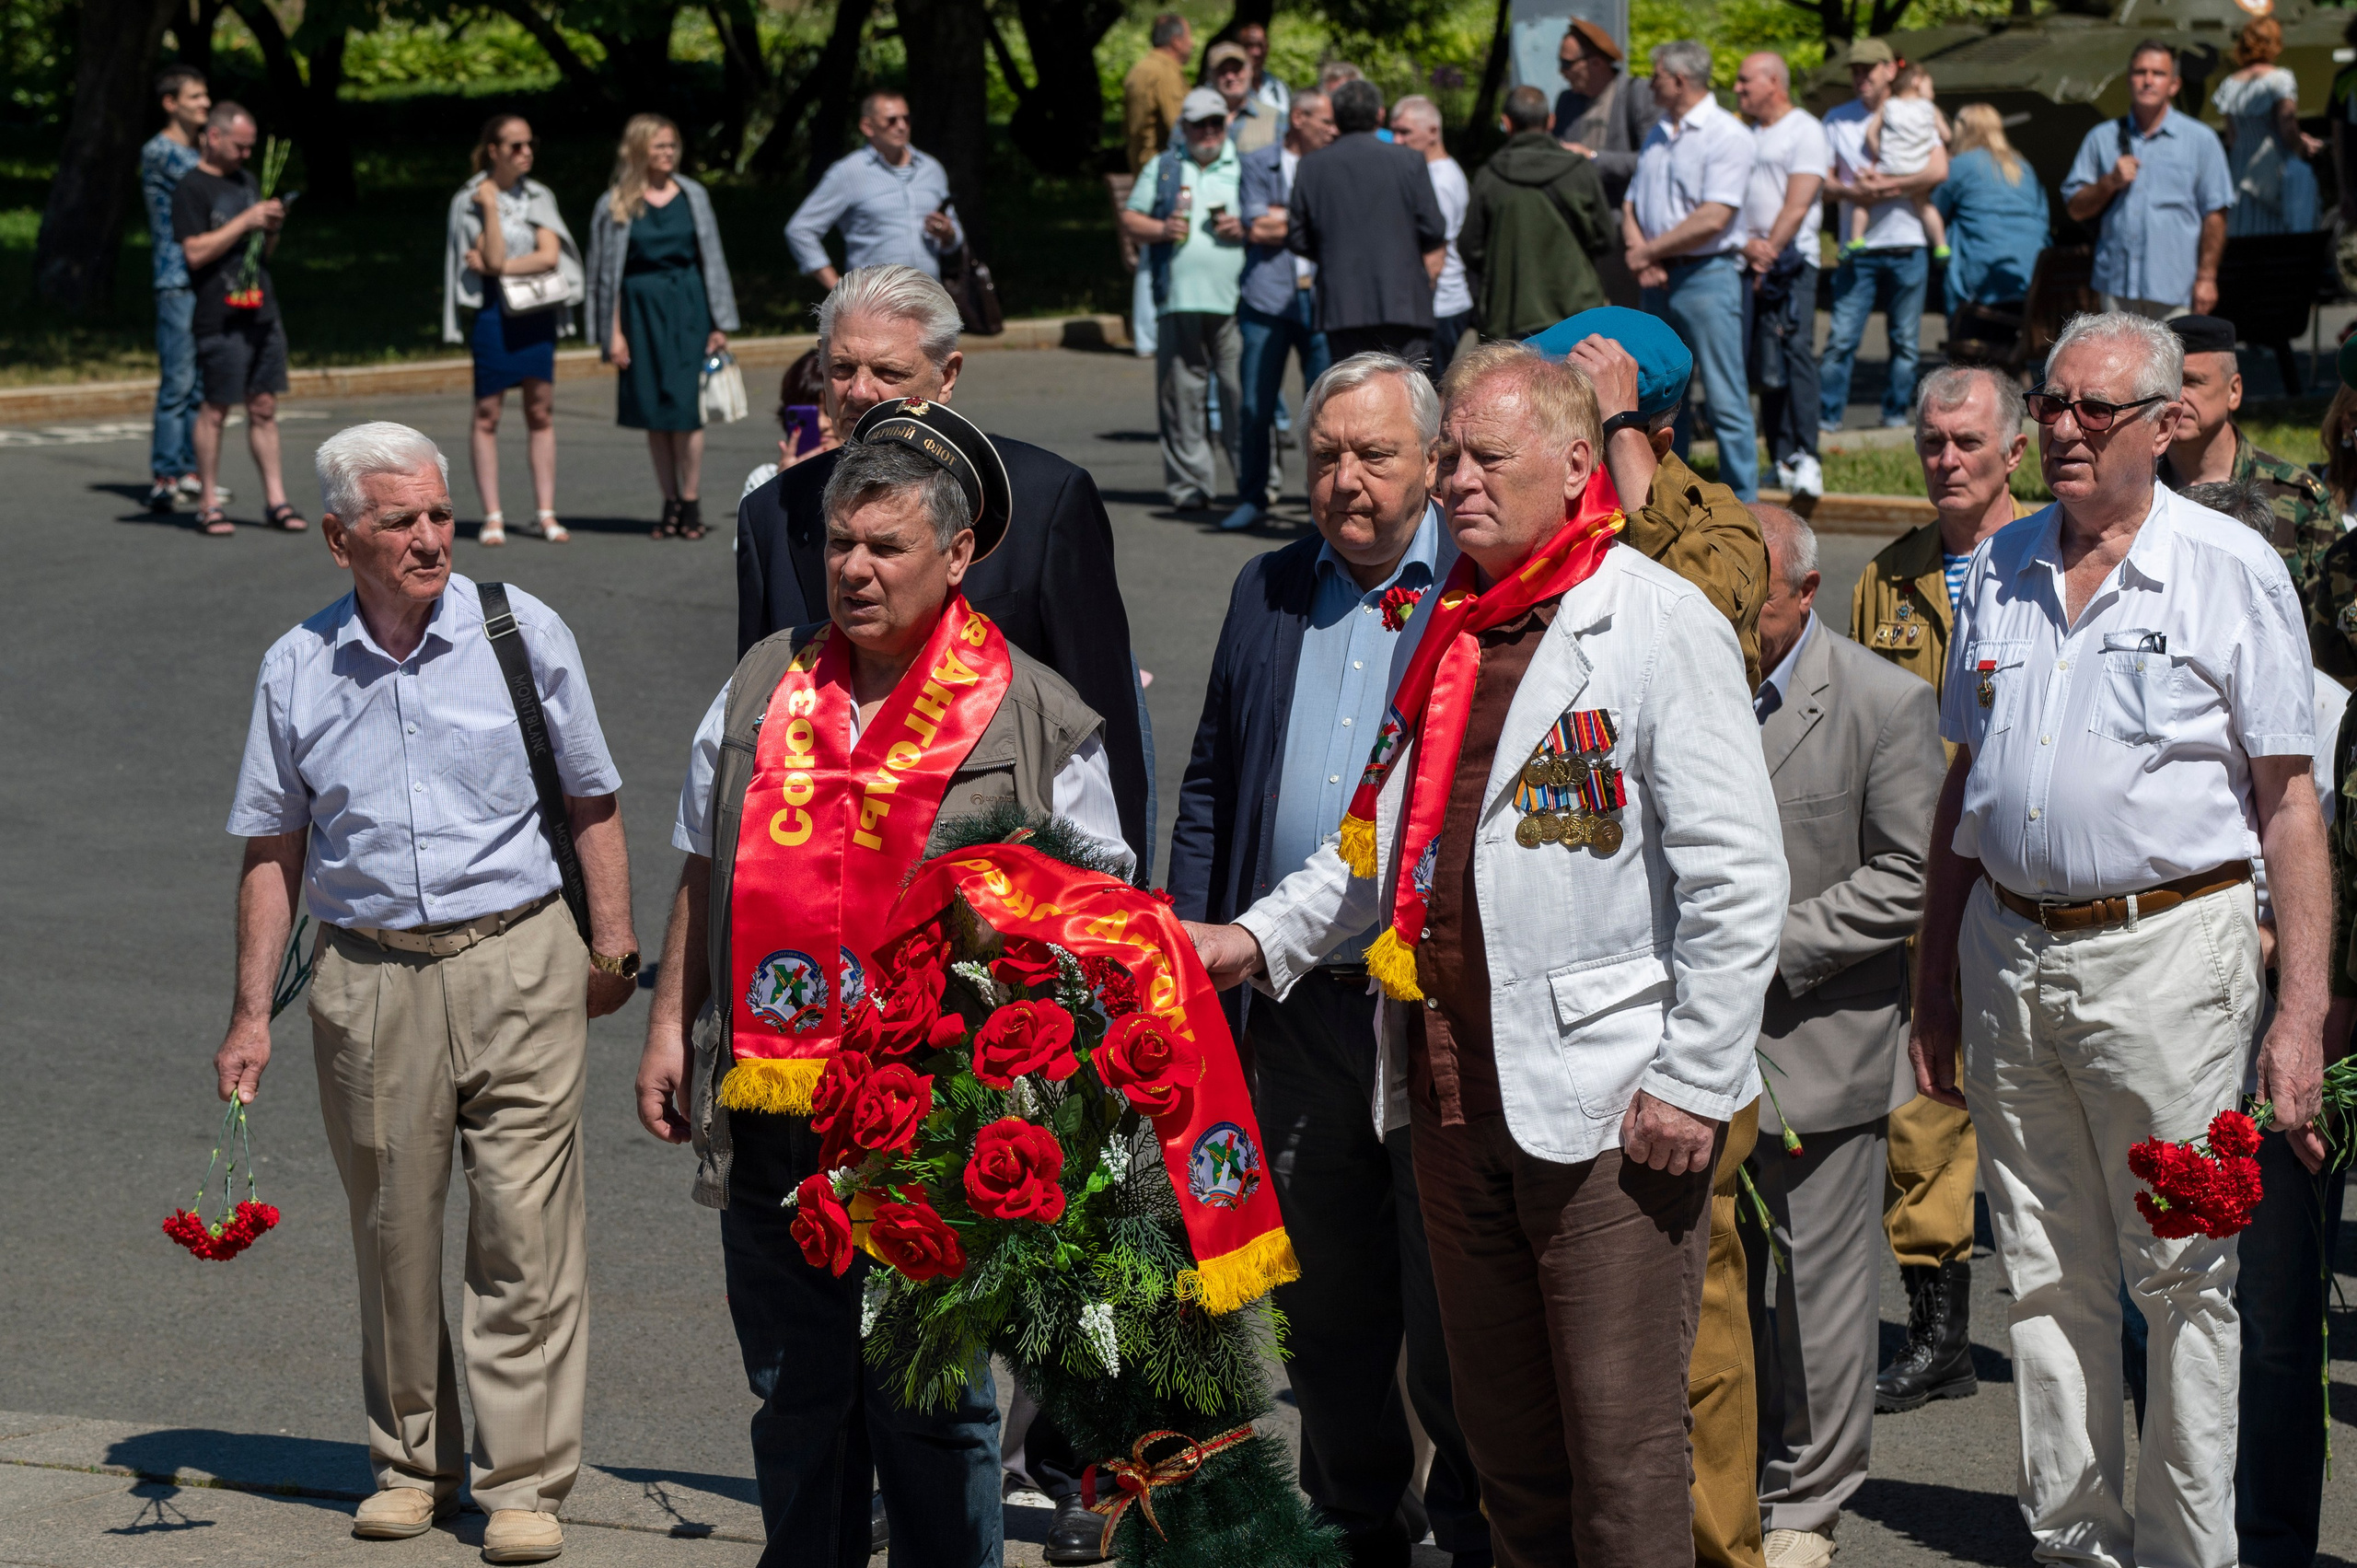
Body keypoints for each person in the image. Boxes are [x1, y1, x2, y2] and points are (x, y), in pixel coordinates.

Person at [1185, 340, 1787, 1565]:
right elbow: (1374, 849)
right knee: (1509, 1456)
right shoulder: (1453, 628)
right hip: (1454, 1104)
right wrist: (1249, 938)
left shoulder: (1654, 620)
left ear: (1573, 467)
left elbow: (1737, 879)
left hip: (1609, 1116)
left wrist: (1691, 1077)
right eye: (1449, 455)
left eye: (1483, 457)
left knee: (1618, 1456)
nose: (1454, 479)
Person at [637, 401, 1127, 1568]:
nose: (854, 569)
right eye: (839, 544)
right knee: (795, 1390)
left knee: (932, 1403)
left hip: (940, 1122)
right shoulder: (764, 683)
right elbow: (705, 861)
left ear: (957, 555)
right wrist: (668, 1024)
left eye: (886, 546)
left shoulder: (1033, 712)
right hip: (777, 1103)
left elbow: (1100, 925)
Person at [1910, 311, 2331, 1568]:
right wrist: (1933, 978)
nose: (2065, 428)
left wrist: (2300, 1014)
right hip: (2009, 955)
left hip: (2173, 966)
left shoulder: (2229, 566)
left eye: (2096, 409)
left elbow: (2290, 803)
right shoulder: (1998, 565)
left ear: (2164, 423)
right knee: (2042, 1270)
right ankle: (2074, 1542)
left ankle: (2186, 1553)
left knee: (2187, 1275)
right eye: (2052, 403)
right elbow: (1967, 782)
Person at [217, 421, 637, 1568]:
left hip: (519, 954)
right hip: (367, 975)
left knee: (523, 1232)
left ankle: (521, 1480)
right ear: (338, 538)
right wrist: (250, 1014)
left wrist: (612, 946)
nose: (429, 538)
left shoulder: (520, 630)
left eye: (441, 514)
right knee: (394, 1232)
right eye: (399, 520)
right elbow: (272, 848)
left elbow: (592, 796)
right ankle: (411, 1466)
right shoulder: (298, 665)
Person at [1167, 354, 1490, 1568]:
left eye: (1375, 454)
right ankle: (1357, 1516)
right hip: (1290, 1001)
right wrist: (1188, 950)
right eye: (1325, 456)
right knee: (1325, 1295)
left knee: (1450, 1289)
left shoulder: (1475, 592)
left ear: (1432, 463)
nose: (1346, 480)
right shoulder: (1268, 587)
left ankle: (1475, 1522)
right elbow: (1212, 777)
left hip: (1427, 1003)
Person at [735, 264, 1155, 874]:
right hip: (809, 875)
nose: (860, 392)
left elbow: (1102, 725)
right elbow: (751, 723)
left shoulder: (1045, 500)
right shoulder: (771, 513)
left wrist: (1122, 899)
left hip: (990, 880)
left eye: (888, 372)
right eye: (842, 368)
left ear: (947, 374)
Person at [1745, 503, 1943, 1568]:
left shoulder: (1882, 700)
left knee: (1819, 1296)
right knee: (1714, 1286)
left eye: (1754, 597)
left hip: (1818, 1035)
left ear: (1807, 591)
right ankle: (1727, 1471)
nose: (1734, 617)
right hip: (1692, 1047)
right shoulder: (1691, 682)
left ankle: (1807, 1501)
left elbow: (1910, 871)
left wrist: (1772, 945)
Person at [1845, 364, 2031, 1411]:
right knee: (1924, 1106)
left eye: (1967, 442)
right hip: (1925, 879)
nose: (1946, 460)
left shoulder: (2053, 555)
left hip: (2031, 878)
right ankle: (1938, 1332)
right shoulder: (1890, 577)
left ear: (2016, 453)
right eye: (1931, 442)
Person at [1527, 305, 1770, 688]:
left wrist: (1621, 426)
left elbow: (1705, 614)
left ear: (1657, 446)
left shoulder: (1720, 520)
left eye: (1584, 439)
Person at [586, 114, 739, 542]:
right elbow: (604, 273)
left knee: (687, 411)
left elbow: (713, 260)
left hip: (688, 308)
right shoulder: (615, 202)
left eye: (672, 145)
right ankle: (669, 500)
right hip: (639, 314)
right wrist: (612, 333)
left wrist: (719, 322)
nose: (669, 153)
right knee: (654, 411)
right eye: (659, 146)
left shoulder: (693, 195)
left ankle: (691, 501)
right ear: (639, 150)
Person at [1627, 39, 1761, 504]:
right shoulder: (1659, 131)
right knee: (1661, 398)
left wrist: (1648, 252)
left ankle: (1746, 507)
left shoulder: (1727, 134)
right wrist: (1643, 253)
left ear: (1680, 80)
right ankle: (1669, 501)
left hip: (1706, 276)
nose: (1650, 85)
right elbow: (1632, 203)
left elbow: (1714, 216)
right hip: (1660, 277)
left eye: (1656, 76)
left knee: (1725, 397)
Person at [444, 112, 583, 547]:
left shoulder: (539, 195)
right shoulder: (470, 198)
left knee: (540, 412)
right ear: (494, 151)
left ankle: (545, 513)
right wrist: (489, 206)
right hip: (492, 314)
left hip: (536, 312)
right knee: (487, 414)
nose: (526, 153)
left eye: (530, 144)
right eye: (515, 146)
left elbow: (548, 256)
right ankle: (493, 515)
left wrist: (497, 266)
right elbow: (493, 254)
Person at [2156, 315, 2337, 621]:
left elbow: (2328, 628)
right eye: (2167, 384)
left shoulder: (2299, 501)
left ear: (2234, 391)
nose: (2177, 397)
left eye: (2192, 381)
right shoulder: (2138, 492)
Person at [174, 100, 298, 537]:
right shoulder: (191, 187)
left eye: (251, 148)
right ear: (214, 136)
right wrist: (246, 220)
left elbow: (263, 252)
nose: (247, 155)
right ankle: (208, 501)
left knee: (264, 405)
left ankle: (276, 500)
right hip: (219, 313)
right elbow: (194, 253)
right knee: (216, 408)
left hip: (261, 308)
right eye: (240, 147)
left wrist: (271, 227)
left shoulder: (246, 180)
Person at [1123, 87, 1248, 511]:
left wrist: (1243, 227)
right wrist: (1161, 230)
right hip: (1177, 299)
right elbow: (1131, 218)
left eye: (1215, 122)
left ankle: (1253, 484)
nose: (1208, 131)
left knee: (1242, 397)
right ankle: (1190, 488)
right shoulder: (1165, 166)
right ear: (1185, 127)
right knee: (1181, 399)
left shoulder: (1244, 165)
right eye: (1199, 124)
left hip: (1237, 301)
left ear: (1225, 123)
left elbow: (1269, 217)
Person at [1226, 89, 1338, 534]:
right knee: (1255, 403)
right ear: (1298, 118)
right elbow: (1255, 225)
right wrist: (1304, 220)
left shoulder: (1330, 164)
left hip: (1322, 299)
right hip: (1267, 299)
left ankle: (1322, 504)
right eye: (1324, 121)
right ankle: (1252, 498)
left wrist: (1281, 217)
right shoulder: (1259, 161)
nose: (1333, 130)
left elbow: (1326, 225)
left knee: (1326, 411)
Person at [1819, 39, 1945, 433]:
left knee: (1906, 341)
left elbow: (1939, 170)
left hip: (1909, 243)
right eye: (1855, 71)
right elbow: (1821, 181)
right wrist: (1853, 190)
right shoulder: (1837, 120)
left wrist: (1889, 186)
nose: (1861, 78)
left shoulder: (1915, 110)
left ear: (1890, 70)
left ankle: (1894, 419)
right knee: (1841, 340)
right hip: (1858, 248)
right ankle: (1827, 419)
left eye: (1868, 70)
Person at [2062, 41, 2233, 319]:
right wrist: (2109, 183)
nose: (2148, 81)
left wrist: (2206, 278)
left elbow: (2215, 214)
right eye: (2140, 72)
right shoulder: (2101, 138)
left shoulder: (2201, 140)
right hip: (2116, 290)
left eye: (2158, 73)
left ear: (2174, 85)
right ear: (2129, 80)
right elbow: (2075, 209)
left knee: (2176, 351)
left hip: (2175, 291)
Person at [1287, 78, 1446, 364]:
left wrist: (1332, 253)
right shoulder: (1409, 161)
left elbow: (1297, 237)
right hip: (1403, 301)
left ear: (1336, 118)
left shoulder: (1311, 166)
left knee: (1353, 387)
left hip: (1342, 305)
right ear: (1380, 115)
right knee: (1408, 387)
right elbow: (1434, 228)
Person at [1734, 52, 1829, 502]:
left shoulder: (1805, 129)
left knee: (1795, 353)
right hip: (1750, 260)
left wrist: (1768, 254)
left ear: (1773, 81)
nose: (1737, 88)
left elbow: (1798, 203)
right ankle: (1781, 457)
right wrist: (1747, 249)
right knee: (1763, 361)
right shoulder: (1746, 133)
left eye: (1745, 80)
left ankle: (1808, 456)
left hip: (1791, 262)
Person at [1457, 85, 1611, 343]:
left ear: (1506, 123)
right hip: (1578, 311)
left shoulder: (1490, 176)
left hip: (1509, 315)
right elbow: (1605, 238)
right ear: (1550, 121)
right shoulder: (1580, 170)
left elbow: (1470, 247)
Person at [785, 91, 964, 290]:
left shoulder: (931, 169)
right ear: (867, 126)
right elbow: (800, 229)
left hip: (928, 296)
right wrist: (838, 288)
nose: (902, 126)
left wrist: (947, 234)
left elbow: (955, 237)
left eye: (906, 119)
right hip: (876, 300)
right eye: (891, 120)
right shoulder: (848, 171)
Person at [143, 64, 210, 515]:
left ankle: (191, 470)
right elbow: (208, 179)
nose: (204, 104)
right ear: (171, 103)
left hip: (205, 276)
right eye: (195, 97)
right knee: (178, 381)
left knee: (200, 384)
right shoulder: (160, 151)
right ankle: (165, 475)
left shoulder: (197, 150)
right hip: (176, 279)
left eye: (206, 96)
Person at [1931, 104, 2051, 319]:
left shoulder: (1960, 165)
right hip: (2031, 271)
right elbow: (2042, 215)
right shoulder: (2022, 166)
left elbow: (1935, 210)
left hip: (1983, 278)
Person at [1123, 12, 1195, 358]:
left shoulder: (1140, 68)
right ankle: (1152, 335)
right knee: (1157, 252)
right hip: (1165, 174)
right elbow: (1180, 124)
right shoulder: (1165, 72)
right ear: (1176, 40)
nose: (1192, 44)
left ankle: (1145, 334)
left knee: (1150, 253)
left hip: (1143, 167)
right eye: (1189, 37)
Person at [2214, 17, 2322, 238]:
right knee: (2277, 235)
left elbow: (2232, 137)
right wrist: (2301, 145)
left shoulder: (2229, 84)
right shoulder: (2280, 79)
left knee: (2246, 233)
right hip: (2273, 170)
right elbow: (2287, 126)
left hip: (2240, 170)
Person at [1391, 97, 1472, 378]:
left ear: (1433, 132)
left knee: (1429, 392)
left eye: (1405, 132)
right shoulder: (1435, 173)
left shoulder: (1440, 180)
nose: (1397, 140)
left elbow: (1435, 253)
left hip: (1440, 305)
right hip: (1436, 304)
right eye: (1394, 131)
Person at [1551, 17, 1655, 212]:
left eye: (1567, 64)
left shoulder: (1638, 94)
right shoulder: (1566, 100)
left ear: (1596, 63)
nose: (1562, 72)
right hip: (1575, 217)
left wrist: (1592, 158)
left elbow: (1651, 160)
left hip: (1620, 218)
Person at [1846, 64, 1947, 263]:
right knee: (1926, 206)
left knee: (1864, 200)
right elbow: (1947, 135)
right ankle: (1941, 245)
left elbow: (1870, 133)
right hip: (1918, 167)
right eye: (1931, 87)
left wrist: (1882, 154)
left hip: (1890, 167)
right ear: (1917, 81)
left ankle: (1856, 239)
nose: (1933, 93)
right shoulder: (1930, 109)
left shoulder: (1889, 105)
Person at [741, 349, 837, 501]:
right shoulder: (763, 480)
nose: (822, 424)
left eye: (830, 410)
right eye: (810, 414)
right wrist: (783, 487)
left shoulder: (867, 475)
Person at [1207, 41, 1279, 157]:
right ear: (1210, 75)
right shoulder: (1194, 120)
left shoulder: (1275, 118)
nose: (1230, 77)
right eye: (1223, 71)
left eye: (1236, 69)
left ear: (1250, 71)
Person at [1237, 20, 1288, 114]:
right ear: (1239, 47)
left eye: (1261, 45)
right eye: (1250, 45)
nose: (1256, 52)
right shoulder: (1229, 87)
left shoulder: (1279, 88)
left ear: (1267, 48)